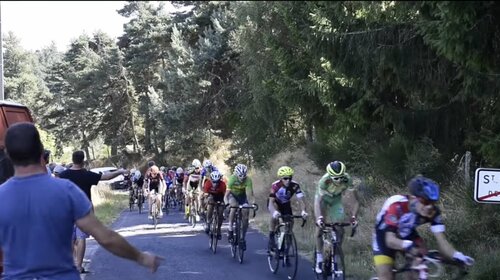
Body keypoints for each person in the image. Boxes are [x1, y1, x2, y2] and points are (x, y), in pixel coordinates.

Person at [0, 123, 163, 279]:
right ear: (41, 151)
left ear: (7, 153)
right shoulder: (66, 191)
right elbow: (106, 238)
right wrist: (141, 257)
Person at [373, 175, 474, 280]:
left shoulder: (433, 212)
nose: (429, 207)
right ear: (413, 198)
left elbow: (442, 243)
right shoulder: (396, 205)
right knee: (386, 276)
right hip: (384, 236)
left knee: (418, 264)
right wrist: (408, 246)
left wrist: (457, 256)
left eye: (432, 203)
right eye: (425, 202)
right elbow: (390, 241)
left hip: (407, 233)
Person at [59, 150, 128, 274]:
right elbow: (106, 176)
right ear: (83, 161)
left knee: (70, 238)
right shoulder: (87, 175)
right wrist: (120, 171)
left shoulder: (64, 175)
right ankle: (79, 266)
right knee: (81, 238)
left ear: (73, 160)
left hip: (66, 209)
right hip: (83, 211)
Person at [314, 161, 359, 274]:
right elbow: (318, 202)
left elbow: (355, 200)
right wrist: (319, 218)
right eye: (335, 178)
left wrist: (353, 217)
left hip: (336, 200)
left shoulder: (347, 179)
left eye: (340, 177)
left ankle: (336, 251)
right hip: (323, 199)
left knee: (339, 227)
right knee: (320, 226)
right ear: (330, 175)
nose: (338, 180)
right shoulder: (324, 181)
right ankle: (319, 256)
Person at [267, 166, 308, 251]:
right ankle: (271, 235)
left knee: (289, 224)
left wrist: (303, 211)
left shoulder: (295, 185)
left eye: (290, 178)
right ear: (281, 178)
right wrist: (274, 212)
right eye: (285, 178)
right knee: (275, 216)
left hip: (286, 204)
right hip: (275, 203)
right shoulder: (275, 185)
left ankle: (286, 250)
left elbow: (301, 200)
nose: (288, 180)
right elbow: (271, 202)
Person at [224, 163, 256, 250]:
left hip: (242, 197)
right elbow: (226, 195)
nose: (242, 178)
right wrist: (227, 204)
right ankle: (230, 228)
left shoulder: (248, 180)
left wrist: (253, 204)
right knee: (234, 206)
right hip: (232, 196)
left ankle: (242, 238)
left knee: (245, 215)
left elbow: (250, 194)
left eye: (244, 176)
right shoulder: (232, 179)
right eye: (240, 176)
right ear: (236, 174)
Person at [202, 170, 227, 239]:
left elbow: (225, 195)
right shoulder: (208, 183)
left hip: (220, 196)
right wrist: (207, 198)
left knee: (221, 212)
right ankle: (208, 222)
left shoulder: (222, 184)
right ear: (211, 179)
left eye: (217, 182)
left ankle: (218, 229)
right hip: (211, 195)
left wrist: (224, 203)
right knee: (210, 205)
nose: (215, 183)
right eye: (214, 182)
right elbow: (206, 194)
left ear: (219, 180)